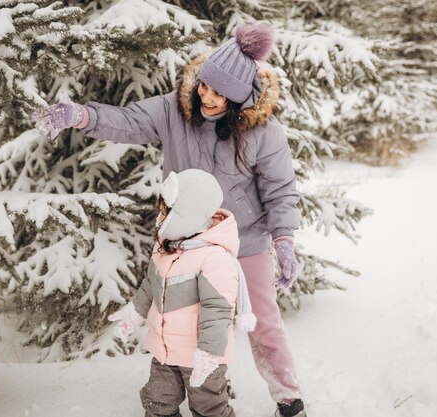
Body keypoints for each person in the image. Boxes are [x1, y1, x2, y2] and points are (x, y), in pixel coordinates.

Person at [34, 22, 306, 417]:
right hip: (184, 241)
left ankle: (287, 394)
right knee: (185, 322)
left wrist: (283, 240)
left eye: (219, 93)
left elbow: (280, 189)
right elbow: (127, 121)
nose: (207, 97)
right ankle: (211, 386)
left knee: (262, 321)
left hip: (243, 243)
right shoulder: (174, 110)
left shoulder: (262, 131)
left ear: (239, 99)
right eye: (204, 86)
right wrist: (81, 116)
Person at [109, 169, 255, 417]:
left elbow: (218, 310)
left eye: (167, 212)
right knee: (157, 403)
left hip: (200, 355)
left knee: (209, 408)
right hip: (165, 352)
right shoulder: (166, 248)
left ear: (187, 215)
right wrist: (134, 313)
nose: (160, 217)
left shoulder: (214, 257)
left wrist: (209, 353)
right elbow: (150, 285)